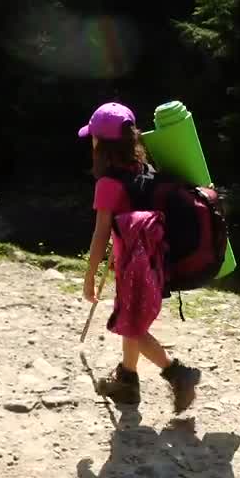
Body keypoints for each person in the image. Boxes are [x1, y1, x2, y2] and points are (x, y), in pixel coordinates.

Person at [80, 102, 202, 413]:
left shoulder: (107, 184)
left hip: (133, 266)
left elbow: (100, 233)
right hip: (155, 261)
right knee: (131, 319)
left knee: (131, 325)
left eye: (93, 137)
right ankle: (128, 381)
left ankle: (178, 373)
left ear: (101, 144)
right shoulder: (146, 171)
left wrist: (90, 274)